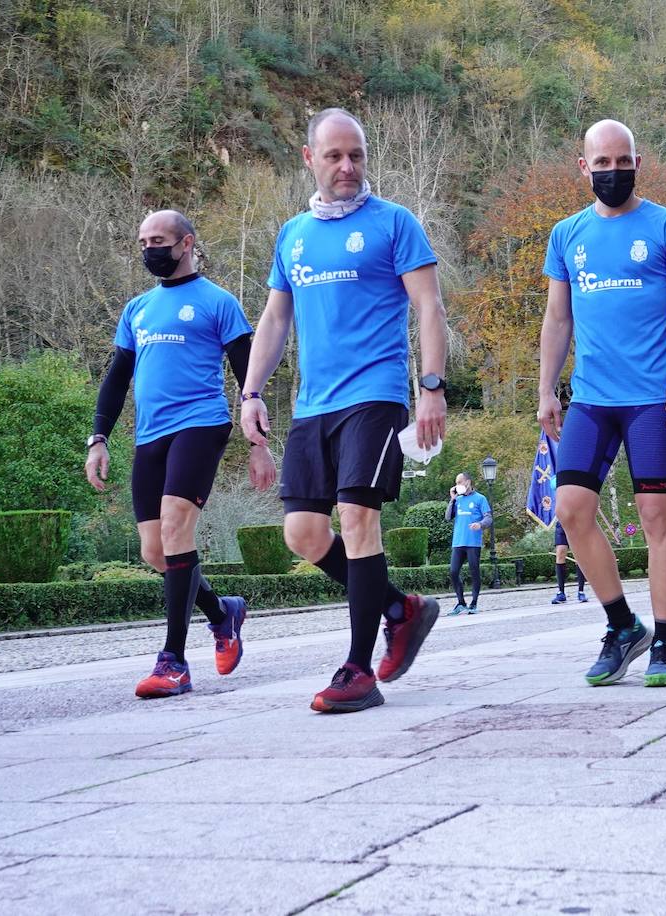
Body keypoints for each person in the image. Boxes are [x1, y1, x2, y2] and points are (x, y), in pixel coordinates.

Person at [240, 107, 446, 714]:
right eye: (334, 156)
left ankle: (358, 670)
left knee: (358, 518)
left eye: (355, 154)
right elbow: (276, 318)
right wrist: (250, 393)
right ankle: (397, 608)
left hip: (375, 395)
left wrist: (429, 387)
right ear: (311, 159)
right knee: (303, 534)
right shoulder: (292, 235)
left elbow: (429, 307)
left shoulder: (395, 224)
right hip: (313, 404)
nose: (347, 166)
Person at [538, 118, 666, 688]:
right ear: (583, 168)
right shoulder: (567, 235)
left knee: (658, 516)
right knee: (571, 509)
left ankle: (665, 641)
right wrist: (546, 388)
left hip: (652, 399)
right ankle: (620, 625)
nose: (612, 172)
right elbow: (558, 318)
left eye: (622, 161)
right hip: (590, 399)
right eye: (601, 163)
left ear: (638, 162)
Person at [86, 209, 275, 699]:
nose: (150, 248)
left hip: (202, 423)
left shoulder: (218, 302)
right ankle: (222, 612)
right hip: (150, 434)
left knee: (175, 528)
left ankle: (172, 661)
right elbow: (116, 378)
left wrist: (258, 446)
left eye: (159, 240)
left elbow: (247, 377)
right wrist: (98, 438)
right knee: (156, 550)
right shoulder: (138, 309)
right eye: (143, 240)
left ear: (186, 243)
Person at [445, 472, 492, 616]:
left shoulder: (480, 498)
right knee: (453, 572)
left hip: (473, 542)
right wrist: (452, 500)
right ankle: (461, 602)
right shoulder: (458, 500)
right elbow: (448, 517)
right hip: (458, 542)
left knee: (474, 571)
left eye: (460, 482)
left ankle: (474, 603)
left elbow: (489, 518)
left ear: (468, 482)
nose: (458, 485)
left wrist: (480, 524)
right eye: (456, 483)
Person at [551, 521, 588, 604]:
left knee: (579, 555)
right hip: (561, 523)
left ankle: (581, 592)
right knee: (560, 554)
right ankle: (561, 593)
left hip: (577, 522)